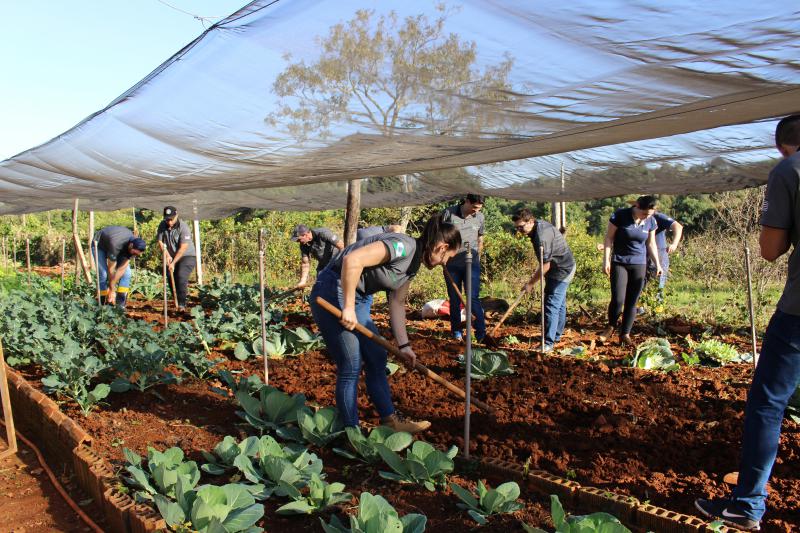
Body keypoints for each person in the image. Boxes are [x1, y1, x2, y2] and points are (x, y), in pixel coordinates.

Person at [694, 114, 800, 531]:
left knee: (768, 404)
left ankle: (746, 506)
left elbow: (771, 249)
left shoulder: (789, 170)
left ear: (783, 146)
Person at [309, 214, 462, 433]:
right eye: (447, 258)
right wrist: (349, 307)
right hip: (333, 291)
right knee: (351, 363)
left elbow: (397, 303)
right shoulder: (402, 246)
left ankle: (391, 420)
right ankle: (350, 431)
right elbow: (352, 260)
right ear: (441, 247)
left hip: (358, 297)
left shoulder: (413, 264)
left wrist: (404, 346)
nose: (443, 264)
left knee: (377, 355)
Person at [600, 195, 662, 345]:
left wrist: (658, 264)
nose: (646, 216)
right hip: (619, 261)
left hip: (639, 264)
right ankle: (611, 326)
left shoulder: (651, 221)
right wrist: (606, 260)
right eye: (644, 213)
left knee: (632, 301)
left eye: (650, 213)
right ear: (637, 207)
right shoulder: (620, 216)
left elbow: (651, 244)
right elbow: (609, 238)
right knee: (618, 298)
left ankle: (625, 335)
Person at [512, 209, 576, 352]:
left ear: (530, 221)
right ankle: (555, 336)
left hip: (562, 269)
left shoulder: (542, 236)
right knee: (559, 305)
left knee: (551, 304)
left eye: (521, 227)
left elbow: (545, 264)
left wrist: (530, 284)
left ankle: (548, 343)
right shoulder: (536, 227)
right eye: (516, 227)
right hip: (557, 268)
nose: (519, 230)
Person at [441, 193, 487, 342]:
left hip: (471, 263)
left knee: (473, 297)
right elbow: (439, 235)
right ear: (466, 202)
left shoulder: (479, 217)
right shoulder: (449, 213)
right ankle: (457, 331)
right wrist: (442, 256)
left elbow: (480, 238)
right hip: (451, 264)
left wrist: (477, 255)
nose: (476, 211)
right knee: (454, 298)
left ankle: (481, 333)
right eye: (474, 207)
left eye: (479, 208)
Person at [91, 226, 147, 309]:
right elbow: (111, 269)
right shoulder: (115, 245)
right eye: (134, 253)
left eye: (136, 254)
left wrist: (112, 287)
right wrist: (112, 290)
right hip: (99, 244)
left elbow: (121, 270)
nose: (134, 255)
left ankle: (120, 305)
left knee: (127, 274)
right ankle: (101, 303)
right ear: (131, 246)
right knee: (103, 273)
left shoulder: (134, 247)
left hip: (119, 245)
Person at [156, 206, 197, 311]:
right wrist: (167, 255)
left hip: (187, 256)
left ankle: (182, 304)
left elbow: (183, 248)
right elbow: (160, 241)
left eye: (171, 219)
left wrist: (173, 263)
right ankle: (176, 300)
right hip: (171, 256)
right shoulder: (162, 225)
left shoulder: (183, 227)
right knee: (170, 276)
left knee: (181, 276)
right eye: (167, 219)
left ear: (177, 216)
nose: (169, 222)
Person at [645, 210, 684, 293]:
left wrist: (674, 244)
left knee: (660, 282)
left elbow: (678, 226)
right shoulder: (635, 216)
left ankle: (659, 301)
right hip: (641, 254)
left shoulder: (658, 216)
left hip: (659, 253)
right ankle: (639, 304)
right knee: (641, 283)